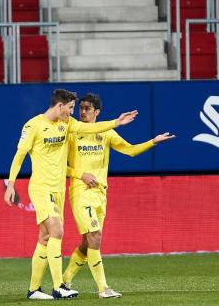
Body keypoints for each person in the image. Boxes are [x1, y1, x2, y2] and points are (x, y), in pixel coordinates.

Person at [4, 89, 138, 300]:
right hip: (41, 187)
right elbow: (19, 156)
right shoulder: (33, 126)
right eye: (70, 108)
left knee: (46, 237)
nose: (72, 112)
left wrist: (116, 123)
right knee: (57, 230)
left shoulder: (67, 124)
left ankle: (34, 290)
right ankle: (59, 286)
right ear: (59, 106)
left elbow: (90, 127)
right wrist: (11, 184)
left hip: (58, 190)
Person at [62, 93, 174, 298]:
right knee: (95, 236)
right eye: (81, 108)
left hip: (100, 194)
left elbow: (130, 151)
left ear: (97, 112)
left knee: (87, 244)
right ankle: (103, 288)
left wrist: (153, 142)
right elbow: (60, 166)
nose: (82, 112)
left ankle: (65, 281)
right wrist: (81, 175)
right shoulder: (72, 131)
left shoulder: (107, 133)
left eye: (87, 108)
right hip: (80, 191)